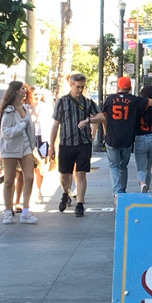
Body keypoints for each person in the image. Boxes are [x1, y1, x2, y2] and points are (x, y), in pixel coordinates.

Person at [50, 72, 99, 217]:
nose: (80, 90)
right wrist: (51, 146)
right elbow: (55, 124)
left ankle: (80, 203)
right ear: (71, 85)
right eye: (77, 87)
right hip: (66, 142)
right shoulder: (62, 102)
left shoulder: (88, 102)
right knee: (65, 174)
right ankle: (66, 193)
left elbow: (101, 117)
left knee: (81, 173)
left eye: (82, 87)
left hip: (83, 143)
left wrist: (88, 121)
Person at [0, 80, 40, 224]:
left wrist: (32, 144)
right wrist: (21, 126)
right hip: (10, 147)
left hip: (25, 145)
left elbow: (29, 127)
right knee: (9, 180)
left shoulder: (25, 108)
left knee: (29, 177)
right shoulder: (7, 111)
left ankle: (25, 211)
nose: (25, 91)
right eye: (22, 89)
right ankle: (8, 210)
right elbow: (5, 132)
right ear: (15, 91)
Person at [89, 74, 145, 195]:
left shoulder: (110, 99)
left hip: (112, 137)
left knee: (113, 166)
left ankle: (117, 191)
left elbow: (104, 117)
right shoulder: (134, 100)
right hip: (127, 138)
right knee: (123, 166)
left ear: (118, 87)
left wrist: (105, 132)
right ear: (130, 88)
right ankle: (122, 189)